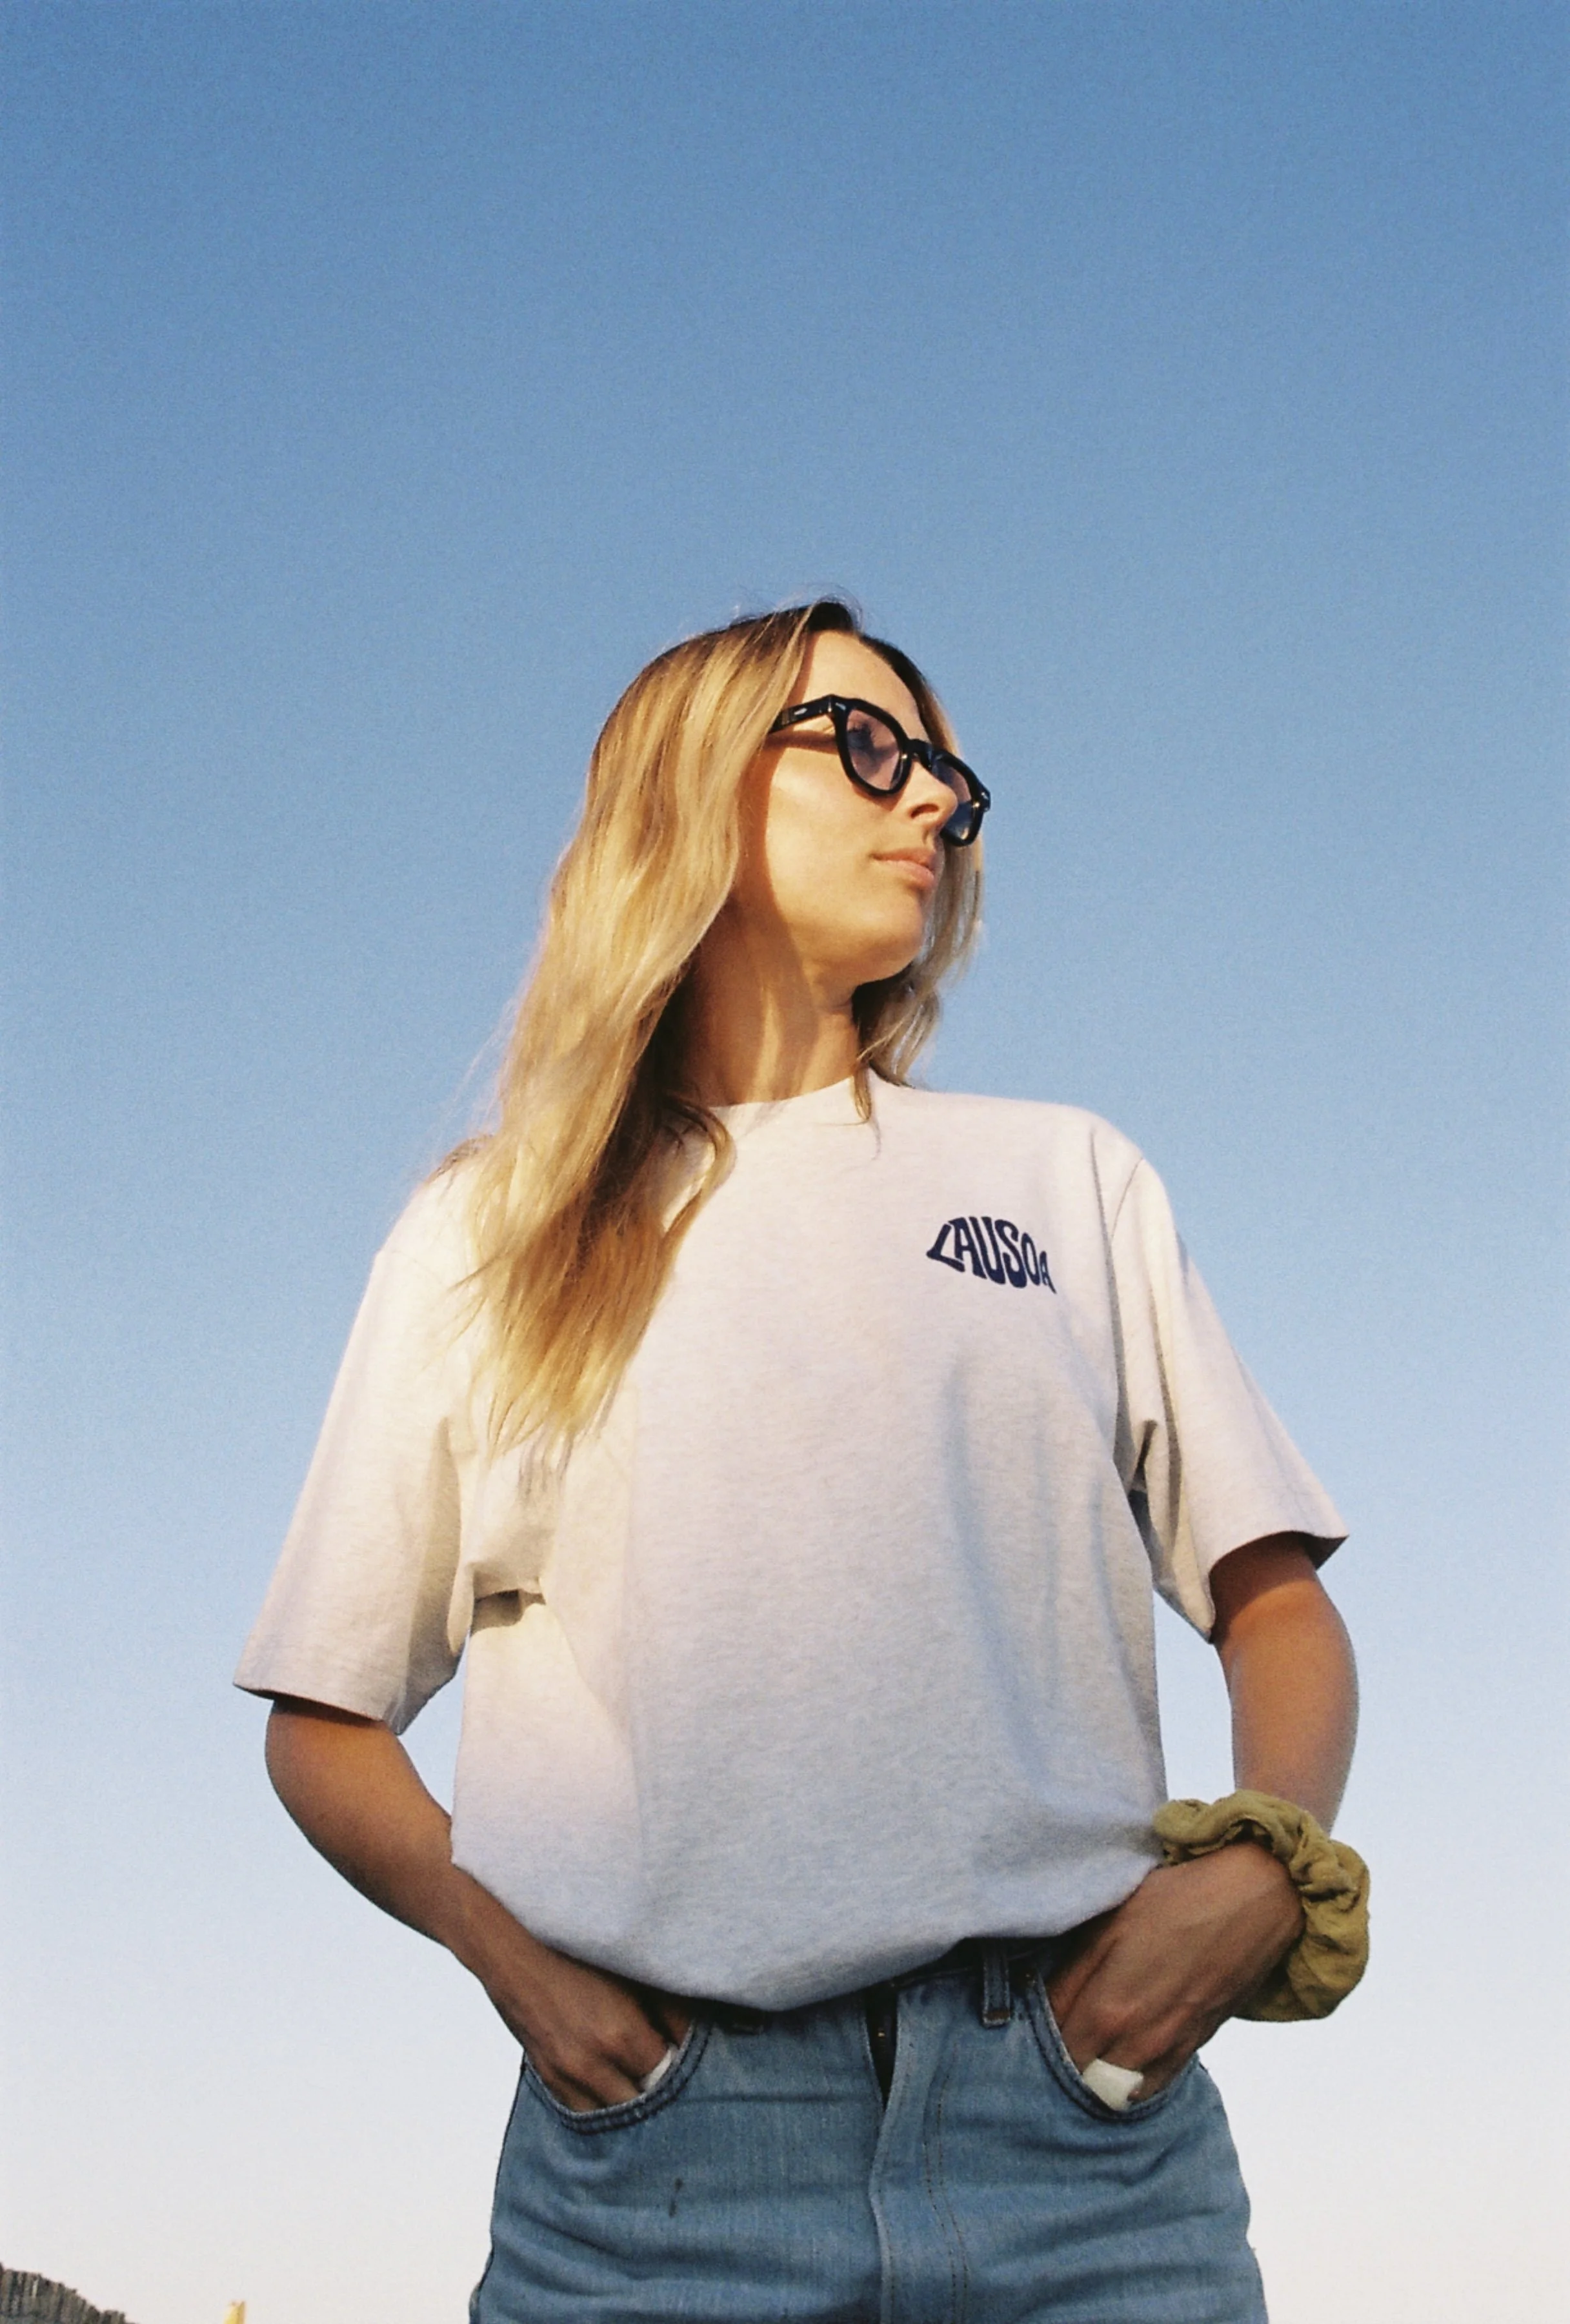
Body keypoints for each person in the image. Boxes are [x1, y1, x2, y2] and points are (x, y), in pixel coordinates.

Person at [237, 599, 1360, 2323]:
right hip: (655, 2166)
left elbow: (1274, 1604)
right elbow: (327, 1720)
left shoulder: (1069, 1181)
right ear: (692, 786)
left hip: (1081, 2131)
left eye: (950, 785)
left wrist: (1251, 1875)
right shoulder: (489, 1234)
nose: (933, 808)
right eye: (870, 748)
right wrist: (515, 1964)